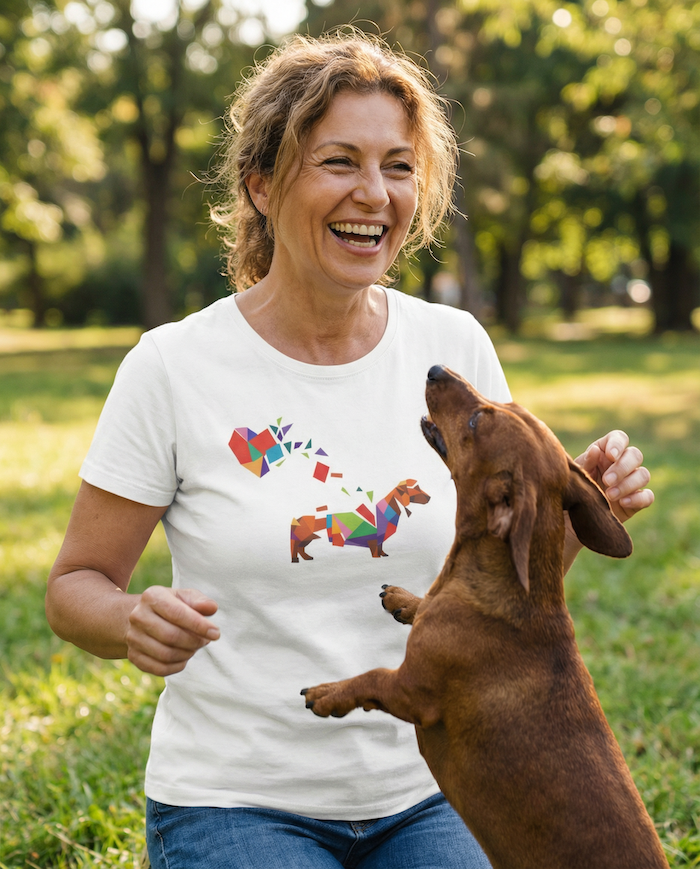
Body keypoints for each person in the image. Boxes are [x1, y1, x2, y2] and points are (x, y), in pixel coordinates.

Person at [46, 30, 653, 869]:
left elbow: (493, 592)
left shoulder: (453, 347)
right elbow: (75, 586)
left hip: (434, 788)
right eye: (339, 161)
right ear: (261, 185)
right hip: (235, 799)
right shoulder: (173, 366)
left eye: (399, 167)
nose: (375, 193)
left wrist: (574, 517)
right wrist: (129, 619)